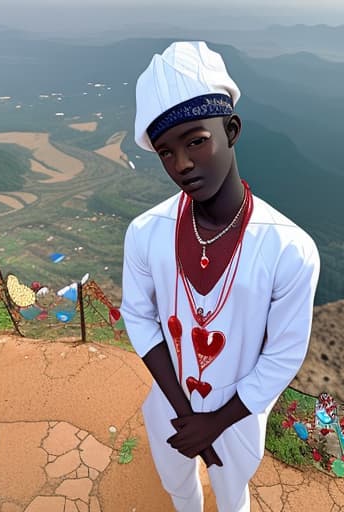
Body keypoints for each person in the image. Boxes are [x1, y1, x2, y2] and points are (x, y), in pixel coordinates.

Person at [121, 41, 320, 512]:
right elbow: (139, 315)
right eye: (166, 152)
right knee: (178, 486)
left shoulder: (288, 250)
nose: (183, 164)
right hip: (169, 404)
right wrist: (185, 411)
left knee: (233, 495)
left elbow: (283, 354)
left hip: (242, 416)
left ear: (231, 129)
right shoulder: (147, 233)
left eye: (195, 140)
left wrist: (218, 421)